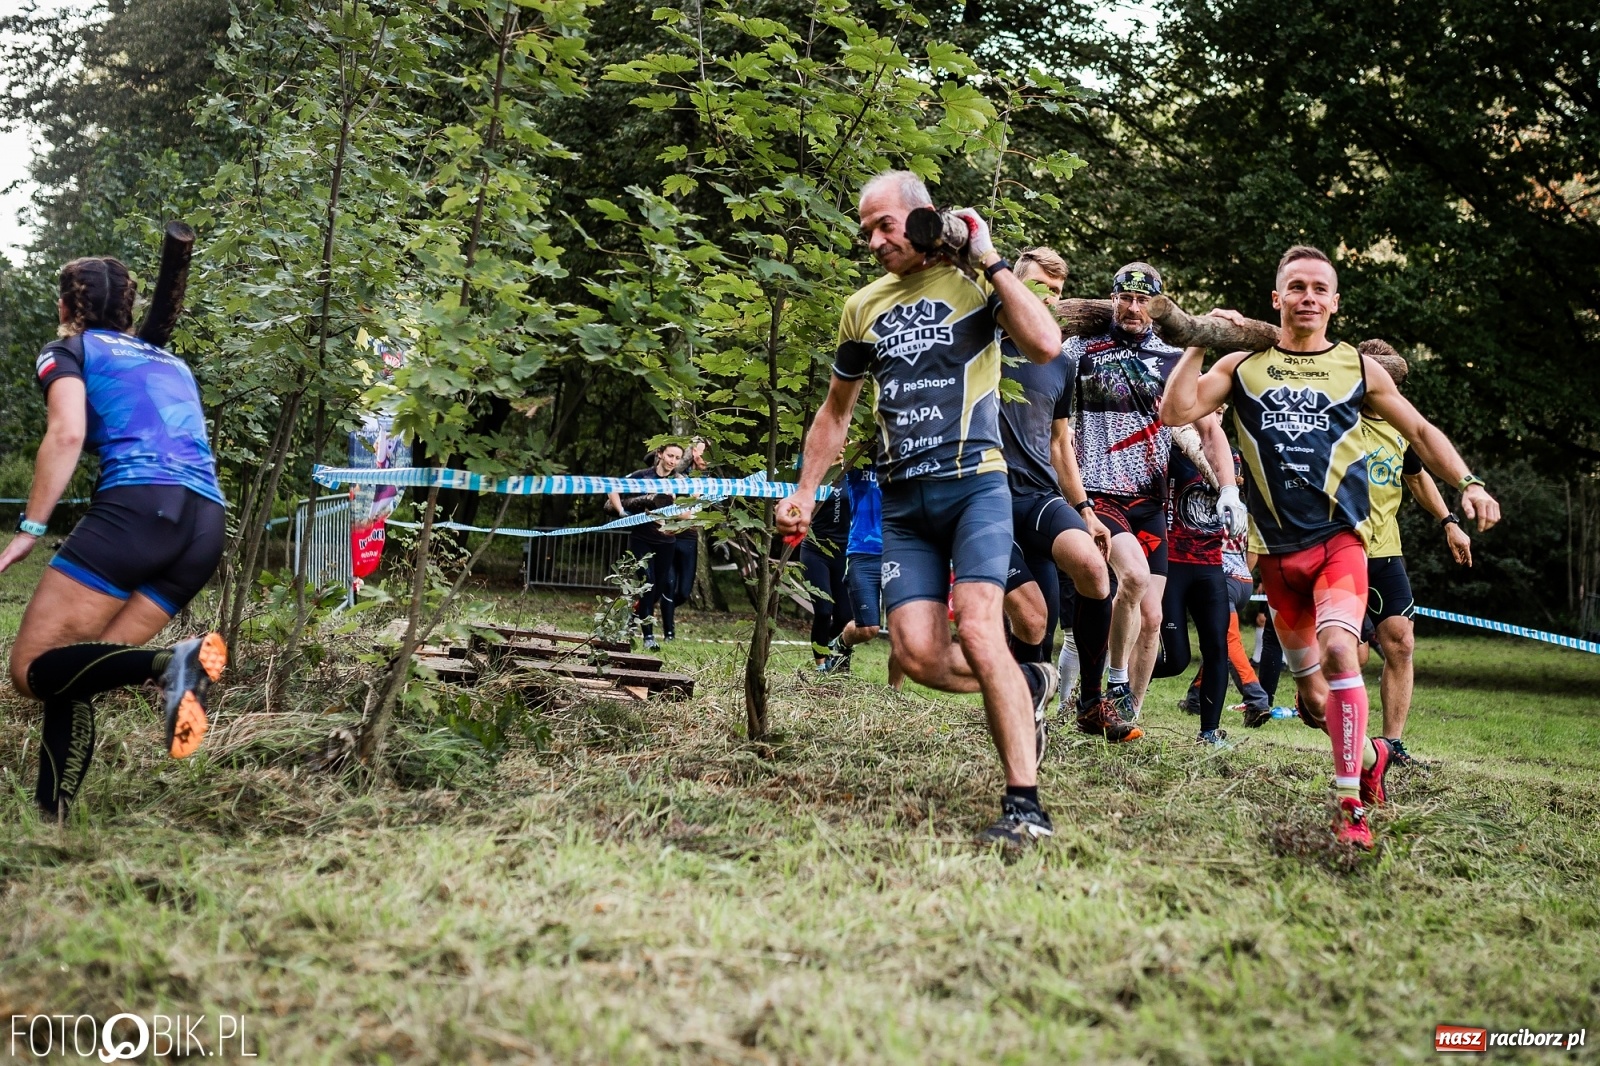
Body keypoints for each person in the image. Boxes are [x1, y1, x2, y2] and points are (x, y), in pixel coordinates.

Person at [1162, 244, 1501, 849]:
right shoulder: (1243, 365)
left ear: (1334, 303)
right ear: (1278, 299)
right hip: (1273, 555)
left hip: (1340, 545)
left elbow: (1419, 431)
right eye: (1297, 287)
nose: (1308, 297)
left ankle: (1351, 811)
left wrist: (1468, 483)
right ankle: (1369, 755)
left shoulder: (1357, 368)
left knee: (1343, 653)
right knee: (1316, 703)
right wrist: (1200, 338)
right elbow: (1175, 410)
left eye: (1320, 288)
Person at [777, 171, 1063, 846]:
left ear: (924, 217)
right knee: (917, 654)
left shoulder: (976, 288)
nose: (873, 240)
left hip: (974, 487)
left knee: (981, 629)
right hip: (904, 501)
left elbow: (1047, 345)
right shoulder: (863, 307)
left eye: (885, 225)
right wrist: (804, 490)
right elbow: (835, 411)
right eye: (865, 229)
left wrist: (990, 256)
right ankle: (1032, 682)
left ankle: (1026, 806)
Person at [1, 255, 230, 820]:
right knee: (78, 668)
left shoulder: (69, 351)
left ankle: (173, 662)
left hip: (139, 510)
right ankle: (53, 815)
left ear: (64, 308)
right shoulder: (171, 362)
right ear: (128, 310)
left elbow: (68, 431)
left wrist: (30, 528)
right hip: (205, 524)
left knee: (31, 671)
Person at [1067, 263, 1244, 721]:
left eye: (1143, 300)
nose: (1132, 307)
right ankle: (1116, 683)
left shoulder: (1172, 359)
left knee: (1150, 620)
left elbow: (1210, 430)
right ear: (1112, 298)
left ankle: (1128, 718)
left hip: (1152, 503)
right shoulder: (1080, 350)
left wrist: (1228, 489)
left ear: (1158, 306)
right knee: (1133, 578)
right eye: (1124, 297)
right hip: (1099, 494)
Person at [993, 246, 1130, 742]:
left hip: (1039, 495)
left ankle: (1092, 703)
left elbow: (1058, 443)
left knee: (1096, 571)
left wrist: (1086, 511)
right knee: (1036, 622)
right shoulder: (982, 340)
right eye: (1038, 287)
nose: (1048, 297)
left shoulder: (1057, 359)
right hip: (984, 498)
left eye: (1056, 291)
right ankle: (1021, 713)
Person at [1353, 339, 1473, 766]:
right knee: (1354, 653)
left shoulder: (1399, 426)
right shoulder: (1335, 415)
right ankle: (1348, 737)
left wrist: (1449, 523)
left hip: (1384, 551)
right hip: (1337, 546)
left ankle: (1391, 746)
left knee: (1401, 644)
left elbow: (1418, 479)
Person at [1151, 418, 1234, 745]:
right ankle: (1115, 683)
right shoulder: (1170, 451)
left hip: (1210, 567)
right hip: (1172, 566)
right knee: (1175, 660)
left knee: (1217, 649)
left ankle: (1209, 733)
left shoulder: (1230, 459)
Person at [607, 440, 703, 650]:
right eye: (670, 456)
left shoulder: (680, 480)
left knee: (657, 589)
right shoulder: (642, 475)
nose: (673, 461)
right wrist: (622, 512)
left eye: (677, 458)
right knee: (646, 582)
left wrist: (684, 509)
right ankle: (648, 637)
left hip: (667, 541)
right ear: (660, 454)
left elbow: (691, 508)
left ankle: (633, 614)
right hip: (641, 538)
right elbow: (612, 487)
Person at [799, 471, 851, 668]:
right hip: (815, 551)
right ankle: (821, 666)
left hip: (842, 552)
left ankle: (832, 649)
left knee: (845, 617)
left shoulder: (853, 474)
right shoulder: (817, 472)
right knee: (823, 611)